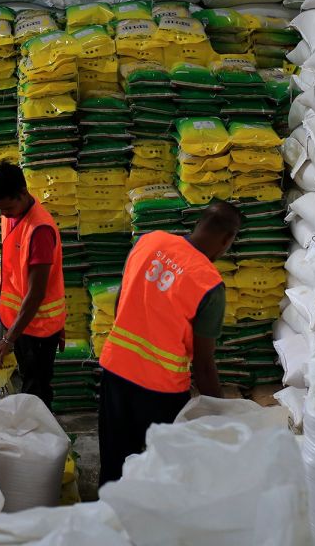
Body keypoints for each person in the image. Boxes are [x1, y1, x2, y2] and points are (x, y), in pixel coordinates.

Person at [97, 200, 242, 487]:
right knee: (160, 471)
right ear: (227, 241)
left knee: (114, 463)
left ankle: (107, 522)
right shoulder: (209, 284)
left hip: (115, 370)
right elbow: (203, 365)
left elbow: (120, 302)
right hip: (160, 392)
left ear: (198, 224)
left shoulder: (149, 242)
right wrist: (221, 414)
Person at [0, 162, 66, 409]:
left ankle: (43, 442)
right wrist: (0, 280)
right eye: (0, 210)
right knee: (27, 387)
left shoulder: (39, 231)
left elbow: (37, 292)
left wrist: (8, 339)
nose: (5, 214)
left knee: (36, 392)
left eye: (8, 208)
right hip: (20, 324)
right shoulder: (11, 213)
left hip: (38, 329)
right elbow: (14, 258)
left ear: (22, 193)